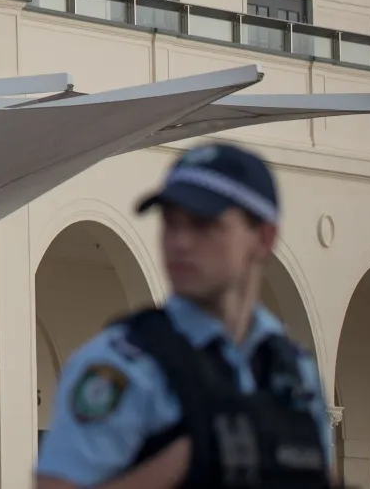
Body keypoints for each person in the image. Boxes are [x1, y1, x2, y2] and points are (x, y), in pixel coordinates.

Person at [36, 143, 334, 489]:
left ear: (263, 238)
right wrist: (183, 464)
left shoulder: (295, 372)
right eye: (171, 223)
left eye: (204, 224)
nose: (180, 242)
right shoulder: (123, 365)